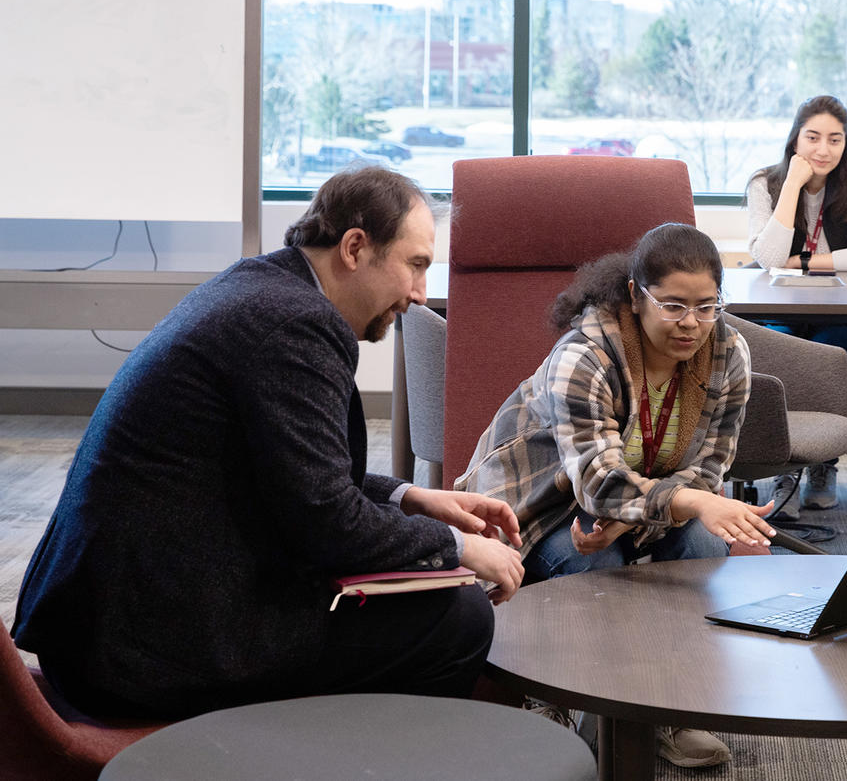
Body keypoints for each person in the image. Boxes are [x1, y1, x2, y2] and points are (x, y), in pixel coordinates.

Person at [11, 166, 526, 721]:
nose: (420, 295)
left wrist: (411, 497)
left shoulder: (262, 287)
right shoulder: (295, 326)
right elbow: (328, 522)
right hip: (146, 653)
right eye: (416, 264)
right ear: (355, 248)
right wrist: (458, 548)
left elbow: (291, 471)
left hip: (102, 629)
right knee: (459, 619)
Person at [455, 222, 773, 769]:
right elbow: (596, 482)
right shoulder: (584, 354)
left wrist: (639, 518)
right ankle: (590, 710)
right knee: (600, 560)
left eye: (706, 305)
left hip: (638, 502)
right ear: (635, 293)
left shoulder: (728, 352)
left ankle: (672, 706)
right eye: (672, 305)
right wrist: (689, 502)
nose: (691, 323)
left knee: (701, 545)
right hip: (538, 504)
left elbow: (710, 464)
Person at [745, 94, 847, 512]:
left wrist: (803, 260)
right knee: (779, 350)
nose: (823, 150)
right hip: (783, 314)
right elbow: (768, 259)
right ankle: (786, 462)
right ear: (795, 139)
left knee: (825, 351)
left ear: (846, 143)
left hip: (845, 319)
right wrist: (790, 186)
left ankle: (822, 459)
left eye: (835, 139)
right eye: (812, 137)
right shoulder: (764, 182)